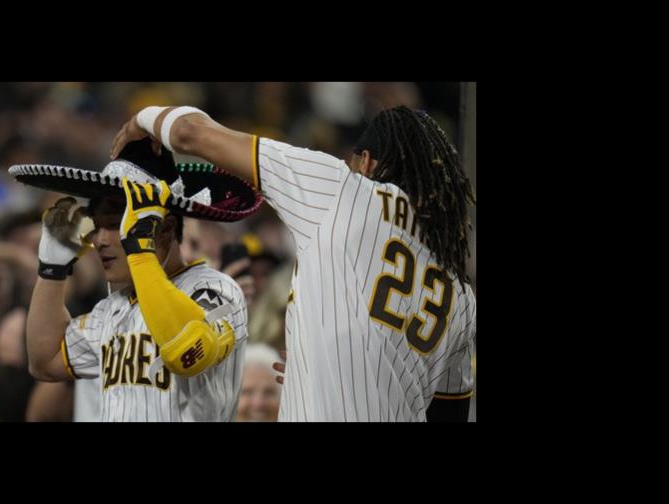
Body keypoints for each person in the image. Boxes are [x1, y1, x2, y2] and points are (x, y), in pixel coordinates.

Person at [109, 104, 476, 421]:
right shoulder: (461, 288)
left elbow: (190, 132)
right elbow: (448, 413)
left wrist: (142, 119)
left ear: (365, 161)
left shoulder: (344, 190)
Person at [16, 138, 262, 421]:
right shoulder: (112, 307)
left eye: (115, 224)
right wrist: (52, 270)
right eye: (97, 225)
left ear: (166, 228)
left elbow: (187, 353)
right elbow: (45, 361)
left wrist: (141, 253)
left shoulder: (215, 288)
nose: (99, 240)